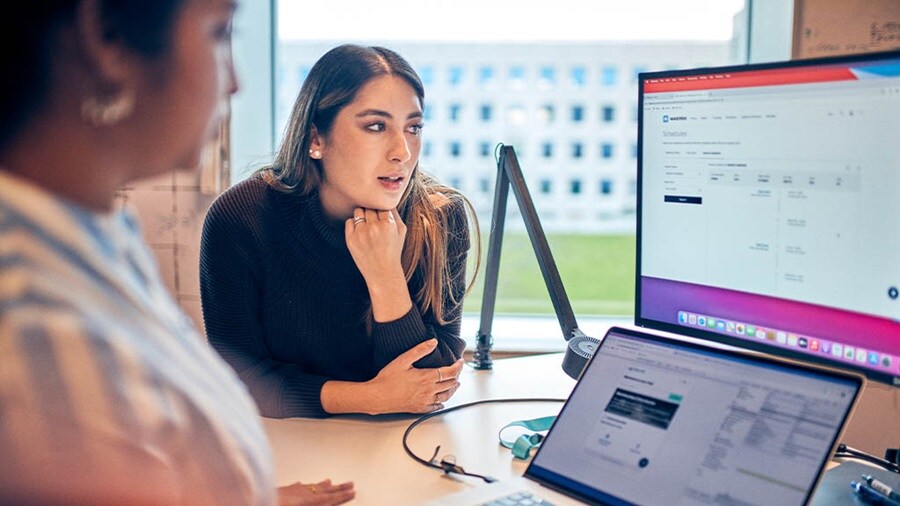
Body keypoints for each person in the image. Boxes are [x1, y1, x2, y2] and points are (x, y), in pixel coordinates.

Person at [0, 1, 353, 504]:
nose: (235, 82)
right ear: (108, 39)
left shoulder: (96, 235)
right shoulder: (38, 331)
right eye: (219, 32)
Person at [199, 44, 480, 419]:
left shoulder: (440, 219)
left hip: (397, 444)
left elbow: (430, 386)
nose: (403, 152)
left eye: (413, 128)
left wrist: (385, 277)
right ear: (316, 138)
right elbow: (237, 380)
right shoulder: (241, 220)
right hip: (288, 445)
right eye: (376, 126)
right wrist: (370, 398)